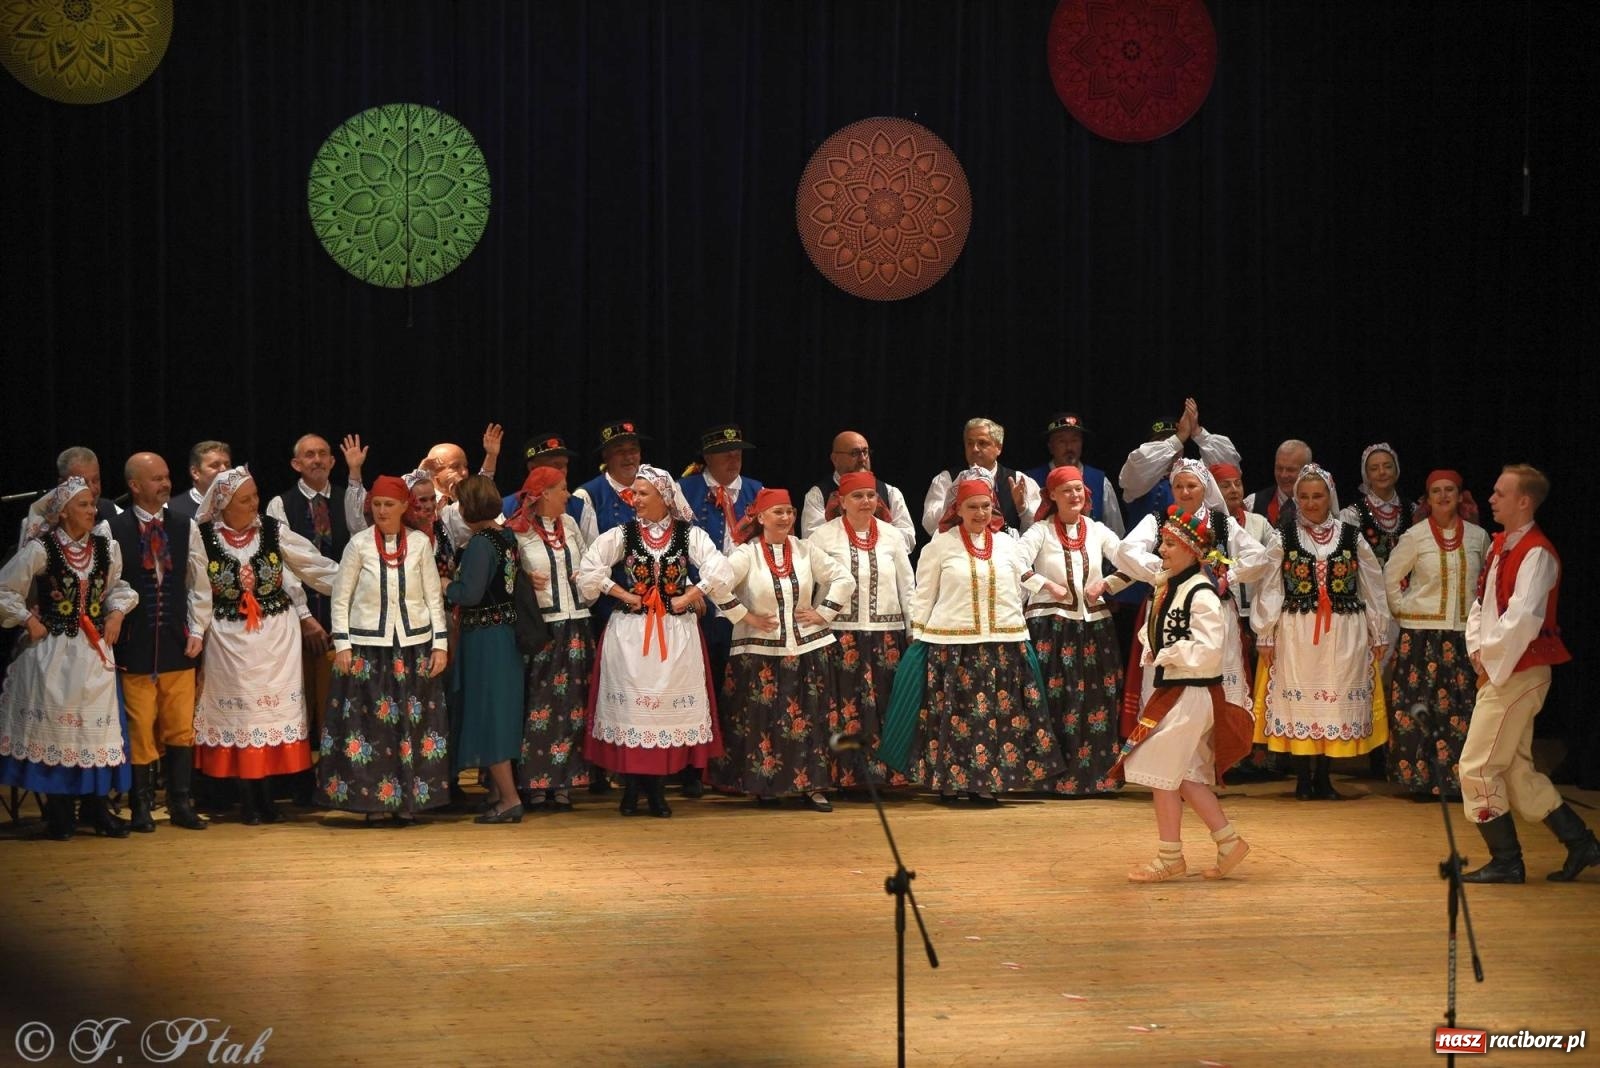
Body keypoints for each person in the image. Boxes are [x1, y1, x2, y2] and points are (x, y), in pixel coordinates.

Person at [881, 472, 1067, 802]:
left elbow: (1022, 576)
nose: (980, 513)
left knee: (997, 719)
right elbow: (923, 594)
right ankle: (950, 783)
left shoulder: (1008, 544)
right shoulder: (940, 545)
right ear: (958, 509)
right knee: (955, 718)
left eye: (986, 506)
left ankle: (987, 782)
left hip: (1002, 641)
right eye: (972, 507)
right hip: (953, 645)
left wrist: (1047, 587)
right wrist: (917, 634)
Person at [1459, 465, 1597, 884]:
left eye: (1500, 493)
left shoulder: (1537, 553)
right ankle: (1580, 842)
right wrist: (1478, 649)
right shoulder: (1501, 545)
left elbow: (1523, 619)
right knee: (1515, 769)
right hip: (1504, 668)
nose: (1491, 499)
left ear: (1524, 501)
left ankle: (1506, 860)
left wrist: (1493, 662)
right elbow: (1482, 603)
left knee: (1477, 767)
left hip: (1521, 670)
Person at [575, 465, 737, 818]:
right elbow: (589, 568)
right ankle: (631, 789)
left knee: (663, 714)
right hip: (632, 635)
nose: (636, 499)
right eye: (634, 493)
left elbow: (720, 568)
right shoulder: (623, 533)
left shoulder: (687, 535)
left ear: (665, 497)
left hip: (675, 635)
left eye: (644, 493)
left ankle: (657, 791)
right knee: (633, 712)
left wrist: (692, 594)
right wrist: (622, 593)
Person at [192, 468, 339, 824]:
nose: (254, 503)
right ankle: (247, 797)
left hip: (275, 639)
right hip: (228, 639)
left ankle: (267, 797)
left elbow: (315, 567)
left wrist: (360, 583)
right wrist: (196, 631)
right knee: (242, 715)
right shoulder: (204, 538)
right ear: (224, 504)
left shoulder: (273, 532)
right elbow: (196, 589)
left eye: (256, 495)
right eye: (245, 499)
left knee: (271, 715)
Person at [1114, 508, 1253, 882]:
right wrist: (1151, 646)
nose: (1162, 550)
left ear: (1192, 550)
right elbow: (1157, 631)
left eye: (1170, 544)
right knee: (1185, 772)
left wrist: (1167, 654)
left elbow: (1209, 648)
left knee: (1160, 769)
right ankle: (1228, 841)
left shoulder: (1202, 593)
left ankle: (1170, 857)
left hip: (1193, 693)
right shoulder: (1170, 586)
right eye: (1163, 542)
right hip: (1177, 690)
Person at [0, 478, 137, 840]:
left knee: (92, 733)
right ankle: (61, 814)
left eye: (93, 505)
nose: (92, 511)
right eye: (83, 506)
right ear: (63, 513)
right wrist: (28, 620)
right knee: (61, 732)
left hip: (92, 654)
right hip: (55, 655)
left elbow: (119, 588)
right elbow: (4, 586)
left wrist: (117, 612)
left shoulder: (107, 549)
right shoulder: (41, 549)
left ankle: (97, 810)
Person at [1251, 465, 1390, 800]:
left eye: (1318, 496)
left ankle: (1325, 778)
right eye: (1304, 496)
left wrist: (1379, 630)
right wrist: (1265, 633)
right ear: (1296, 498)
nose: (1311, 503)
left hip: (1343, 631)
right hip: (1297, 631)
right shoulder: (1283, 536)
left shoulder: (1350, 535)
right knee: (1301, 698)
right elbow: (1269, 586)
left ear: (1330, 496)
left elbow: (1372, 585)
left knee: (1335, 698)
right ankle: (1302, 779)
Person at [319, 476, 451, 825]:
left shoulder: (421, 544)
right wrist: (343, 644)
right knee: (369, 728)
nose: (381, 510)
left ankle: (408, 799)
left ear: (405, 506)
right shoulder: (358, 545)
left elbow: (433, 598)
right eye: (376, 504)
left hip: (413, 646)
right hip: (368, 648)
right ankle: (373, 802)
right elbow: (341, 598)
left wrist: (439, 644)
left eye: (388, 504)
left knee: (412, 725)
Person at [713, 488, 854, 810]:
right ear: (761, 517)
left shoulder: (805, 550)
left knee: (811, 719)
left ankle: (813, 786)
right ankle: (764, 784)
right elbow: (715, 584)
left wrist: (823, 612)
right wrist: (744, 615)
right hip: (759, 651)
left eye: (790, 511)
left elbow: (844, 579)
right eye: (778, 512)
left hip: (806, 648)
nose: (786, 518)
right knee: (763, 719)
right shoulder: (746, 554)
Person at [1111, 460, 1274, 740]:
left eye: (1191, 486)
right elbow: (1125, 551)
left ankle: (1213, 753)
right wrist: (1163, 571)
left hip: (1214, 610)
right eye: (1178, 486)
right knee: (1169, 675)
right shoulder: (1158, 519)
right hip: (1169, 610)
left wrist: (1228, 576)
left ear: (1204, 488)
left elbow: (1258, 556)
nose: (1185, 492)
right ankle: (1165, 745)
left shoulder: (1223, 524)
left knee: (1213, 673)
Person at [108, 452, 211, 832]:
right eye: (156, 479)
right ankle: (140, 804)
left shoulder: (185, 526)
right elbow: (111, 586)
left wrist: (197, 631)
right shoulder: (114, 530)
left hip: (175, 643)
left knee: (180, 726)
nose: (165, 484)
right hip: (135, 645)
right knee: (139, 727)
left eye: (167, 477)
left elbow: (198, 585)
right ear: (135, 486)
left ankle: (180, 803)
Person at [266, 432, 371, 804]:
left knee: (336, 700)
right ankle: (296, 781)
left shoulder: (346, 498)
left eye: (323, 454)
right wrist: (306, 616)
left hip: (344, 617)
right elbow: (284, 566)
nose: (317, 460)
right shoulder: (281, 504)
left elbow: (361, 542)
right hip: (298, 618)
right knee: (299, 700)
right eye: (309, 455)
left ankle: (337, 777)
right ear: (296, 464)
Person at [1016, 466, 1130, 795]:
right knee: (1055, 700)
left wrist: (1107, 584)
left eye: (1079, 489)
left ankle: (1096, 777)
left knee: (1096, 700)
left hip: (1094, 628)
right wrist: (1045, 585)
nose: (1075, 495)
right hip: (1051, 629)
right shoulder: (1040, 532)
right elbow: (1013, 562)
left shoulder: (1096, 531)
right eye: (1066, 490)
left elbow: (1131, 561)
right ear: (1051, 495)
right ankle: (1048, 778)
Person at [1383, 469, 1489, 799]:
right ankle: (1418, 780)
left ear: (1460, 496)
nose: (1443, 496)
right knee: (1418, 707)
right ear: (1427, 499)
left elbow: (1486, 582)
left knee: (1459, 708)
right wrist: (1405, 611)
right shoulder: (1415, 537)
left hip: (1460, 636)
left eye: (1450, 490)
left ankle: (1456, 781)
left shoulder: (1478, 537)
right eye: (1436, 492)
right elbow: (1390, 576)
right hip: (1420, 636)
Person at [805, 470, 916, 786]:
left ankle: (885, 777)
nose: (865, 501)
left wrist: (913, 629)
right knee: (840, 706)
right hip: (839, 635)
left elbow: (907, 586)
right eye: (857, 496)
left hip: (886, 636)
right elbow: (809, 583)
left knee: (884, 705)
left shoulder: (892, 536)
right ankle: (839, 776)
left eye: (870, 495)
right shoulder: (822, 537)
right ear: (841, 501)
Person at [678, 423, 764, 798]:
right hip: (702, 604)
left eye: (739, 452)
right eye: (726, 453)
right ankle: (694, 768)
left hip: (744, 604)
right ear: (707, 457)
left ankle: (737, 764)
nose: (734, 458)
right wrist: (685, 587)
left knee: (742, 685)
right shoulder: (686, 491)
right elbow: (674, 542)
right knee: (702, 684)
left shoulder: (755, 491)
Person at [507, 467, 594, 811]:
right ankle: (534, 782)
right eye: (562, 488)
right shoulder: (516, 531)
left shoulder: (570, 526)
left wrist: (584, 573)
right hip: (542, 626)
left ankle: (566, 782)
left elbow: (590, 562)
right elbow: (504, 577)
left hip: (576, 623)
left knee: (574, 705)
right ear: (543, 493)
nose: (568, 494)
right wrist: (525, 578)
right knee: (539, 705)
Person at [445, 476, 530, 825]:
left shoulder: (481, 543)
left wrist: (447, 585)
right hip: (503, 635)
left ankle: (509, 800)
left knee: (490, 713)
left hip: (485, 638)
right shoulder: (506, 537)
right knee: (501, 710)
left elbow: (470, 594)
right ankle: (497, 792)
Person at [1117, 398, 1242, 532]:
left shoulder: (1196, 473)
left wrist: (1197, 433)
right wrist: (1180, 437)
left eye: (1172, 439)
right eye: (1161, 442)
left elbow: (1229, 467)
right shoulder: (1139, 478)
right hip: (1145, 550)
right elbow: (1140, 460)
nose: (1171, 448)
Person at [800, 430, 918, 552]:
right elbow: (812, 542)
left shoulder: (890, 492)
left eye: (865, 452)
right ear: (835, 459)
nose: (862, 459)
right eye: (854, 453)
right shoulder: (818, 495)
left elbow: (907, 538)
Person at [920, 418, 1040, 537]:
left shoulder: (1018, 480)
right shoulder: (947, 480)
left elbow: (1037, 531)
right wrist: (952, 503)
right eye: (970, 443)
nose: (975, 449)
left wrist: (1023, 509)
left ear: (999, 447)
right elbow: (930, 526)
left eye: (982, 443)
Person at [1022, 412, 1125, 535]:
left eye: (1075, 440)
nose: (1069, 447)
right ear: (1050, 447)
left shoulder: (1100, 481)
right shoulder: (1031, 480)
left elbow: (1116, 531)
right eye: (1062, 441)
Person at [16, 446, 119, 545]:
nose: (92, 489)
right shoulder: (36, 526)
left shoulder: (115, 513)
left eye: (96, 480)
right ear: (62, 484)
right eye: (82, 483)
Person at [503, 432, 583, 524]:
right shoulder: (506, 508)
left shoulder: (580, 508)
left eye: (565, 465)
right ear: (532, 468)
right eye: (556, 465)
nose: (563, 471)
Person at [1246, 439, 1313, 527]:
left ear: (1307, 470)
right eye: (1279, 468)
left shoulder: (1318, 505)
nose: (1283, 475)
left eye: (1290, 470)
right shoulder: (1253, 503)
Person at [168, 440, 232, 522]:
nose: (224, 469)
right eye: (215, 465)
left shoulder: (242, 503)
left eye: (227, 465)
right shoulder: (171, 509)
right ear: (195, 473)